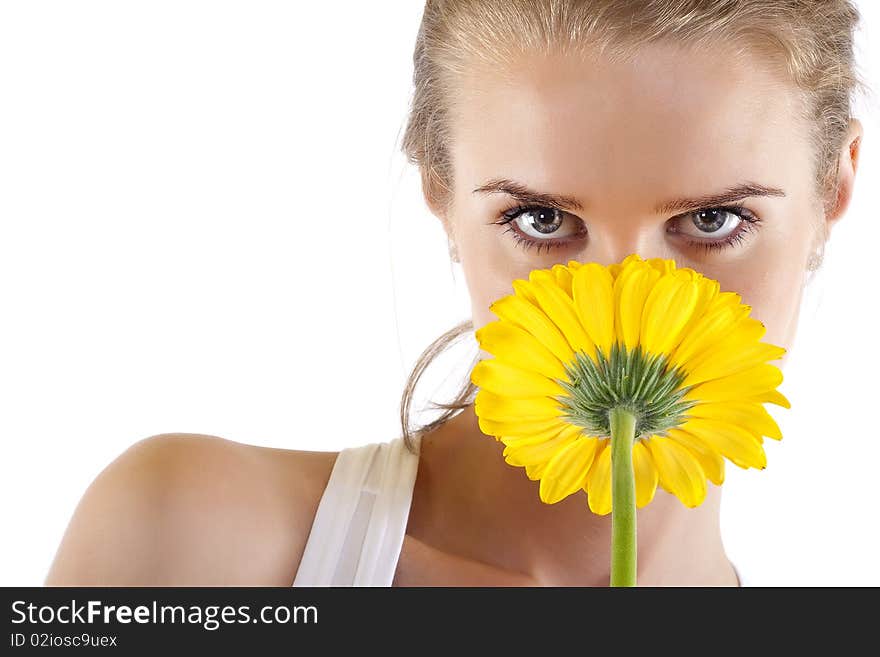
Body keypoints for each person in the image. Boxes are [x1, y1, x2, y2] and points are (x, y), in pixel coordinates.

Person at [45, 0, 866, 587]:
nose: (623, 301)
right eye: (542, 218)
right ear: (440, 190)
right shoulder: (188, 540)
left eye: (713, 219)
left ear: (835, 188)